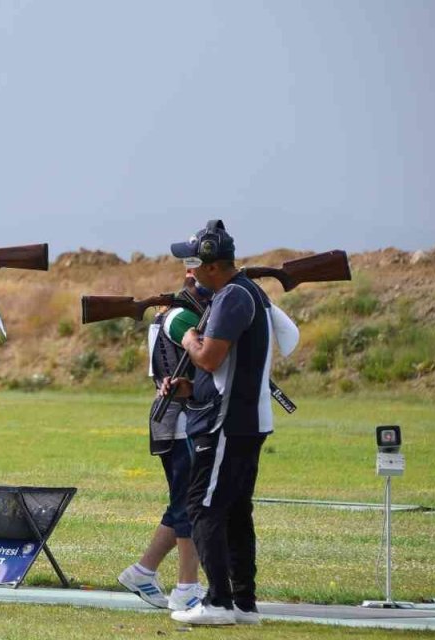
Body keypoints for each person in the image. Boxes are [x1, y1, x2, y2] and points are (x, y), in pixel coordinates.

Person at [164, 220, 278, 626]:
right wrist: (190, 389)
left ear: (213, 265)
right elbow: (228, 368)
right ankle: (243, 603)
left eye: (194, 263)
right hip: (246, 417)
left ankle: (217, 602)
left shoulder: (230, 296)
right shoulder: (249, 292)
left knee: (203, 507)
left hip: (227, 424)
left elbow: (209, 357)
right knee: (234, 511)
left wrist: (188, 335)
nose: (189, 272)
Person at [117, 272, 207, 612]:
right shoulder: (181, 318)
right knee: (189, 504)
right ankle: (187, 586)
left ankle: (143, 571)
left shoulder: (167, 317)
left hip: (172, 417)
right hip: (181, 419)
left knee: (181, 503)